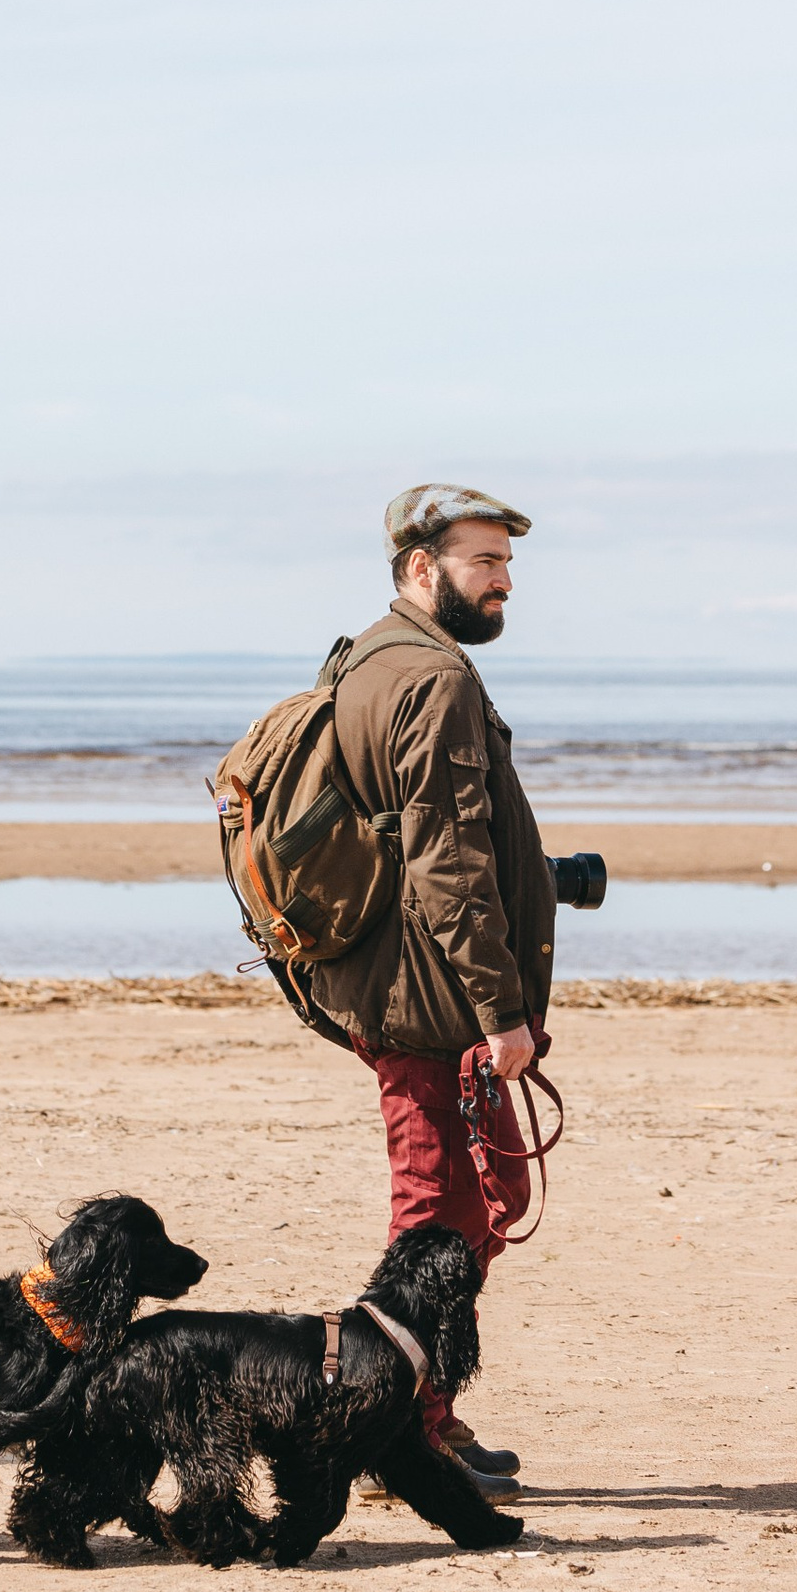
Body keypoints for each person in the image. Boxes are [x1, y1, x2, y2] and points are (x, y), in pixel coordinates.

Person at [301, 483, 556, 1495]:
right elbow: (445, 860)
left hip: (412, 988)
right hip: (434, 1004)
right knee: (438, 1219)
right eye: (484, 563)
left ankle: (422, 1415)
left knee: (467, 1207)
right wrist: (500, 1012)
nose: (502, 584)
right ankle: (389, 1425)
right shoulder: (431, 677)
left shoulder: (365, 658)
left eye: (505, 565)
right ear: (422, 568)